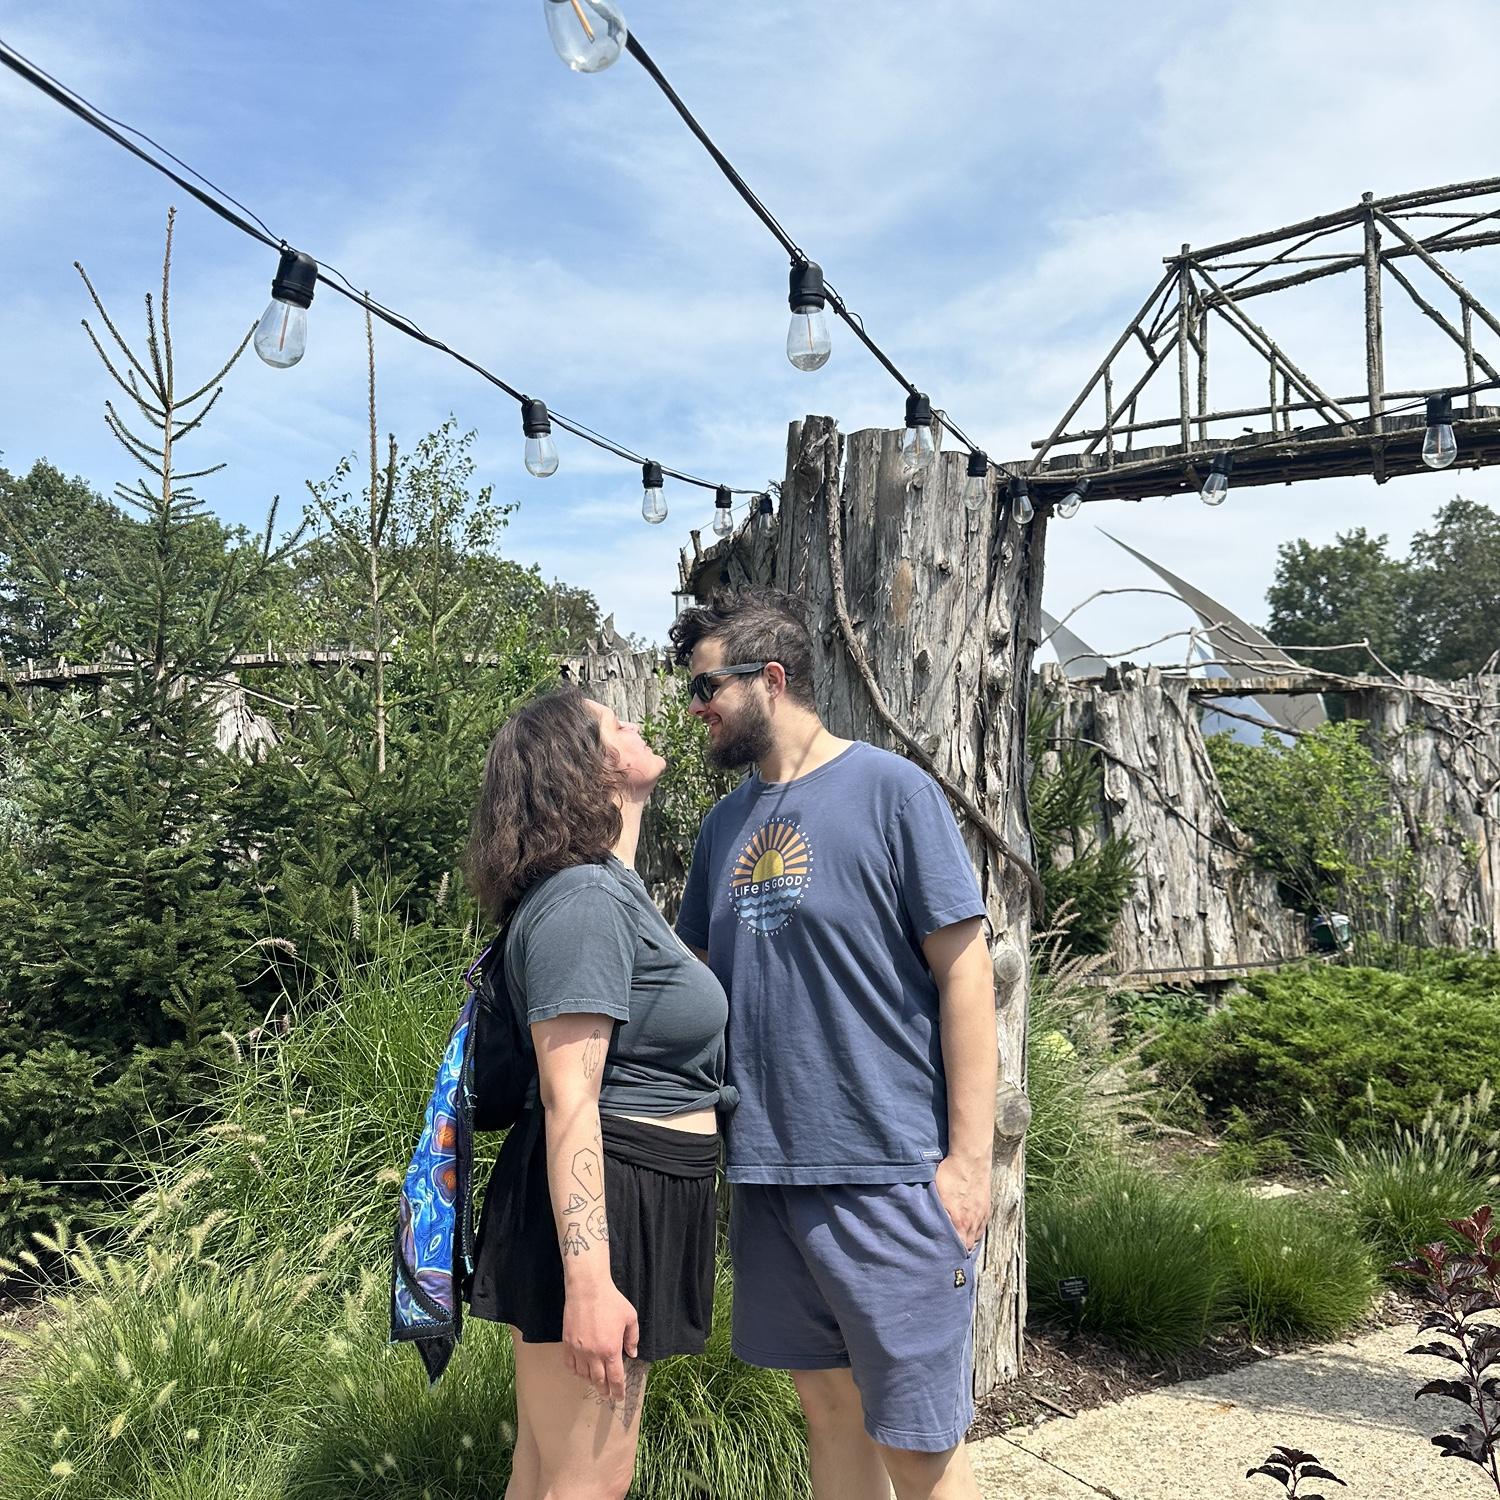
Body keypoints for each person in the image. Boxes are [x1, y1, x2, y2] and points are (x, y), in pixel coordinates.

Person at [670, 587, 997, 1500]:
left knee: (920, 1443)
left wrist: (969, 1164)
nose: (695, 709)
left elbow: (966, 974)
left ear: (771, 680)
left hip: (888, 1173)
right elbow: (696, 981)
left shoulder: (893, 793)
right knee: (829, 1414)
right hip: (768, 1174)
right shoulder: (723, 827)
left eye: (706, 688)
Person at [461, 685, 732, 1500]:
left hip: (632, 1192)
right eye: (616, 721)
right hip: (606, 1203)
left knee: (550, 1473)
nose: (636, 721)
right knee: (589, 1482)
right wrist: (589, 1283)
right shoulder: (582, 901)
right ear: (584, 767)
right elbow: (569, 1098)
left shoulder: (607, 888)